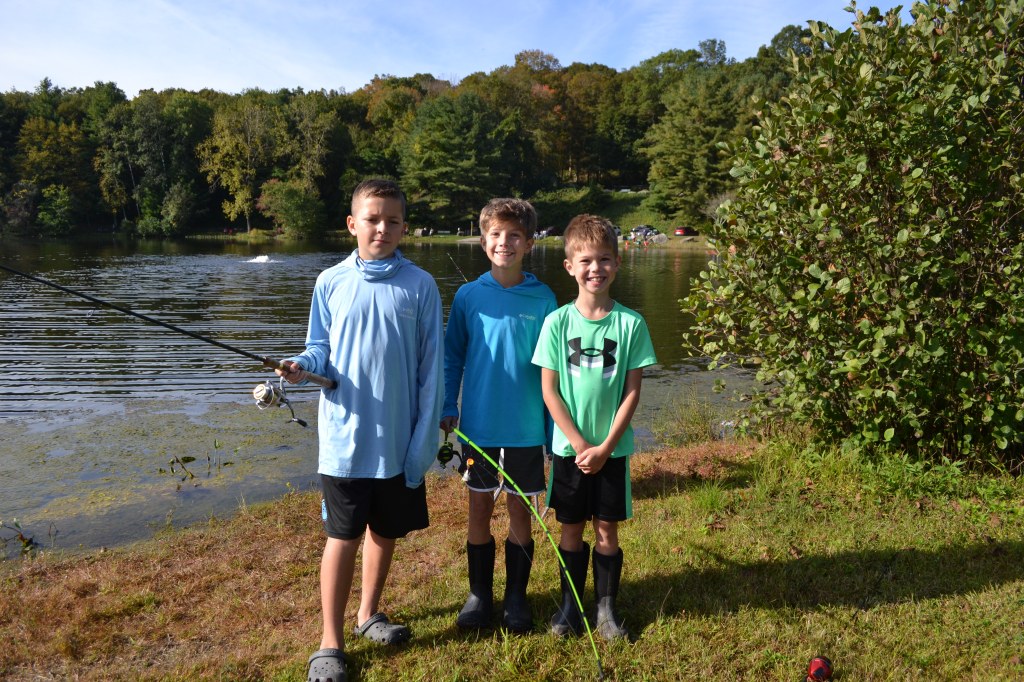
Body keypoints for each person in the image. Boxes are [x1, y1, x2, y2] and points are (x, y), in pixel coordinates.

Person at [277, 179, 443, 682]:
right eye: (372, 219)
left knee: (386, 530)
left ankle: (368, 613)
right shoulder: (329, 281)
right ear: (352, 224)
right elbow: (318, 348)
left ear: (405, 228)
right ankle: (331, 640)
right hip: (346, 442)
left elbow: (430, 368)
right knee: (342, 536)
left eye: (393, 220)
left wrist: (424, 440)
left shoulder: (421, 285)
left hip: (399, 442)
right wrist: (301, 366)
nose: (382, 228)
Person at [531, 214, 657, 640]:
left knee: (606, 528)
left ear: (618, 264)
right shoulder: (556, 323)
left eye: (605, 259)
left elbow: (632, 393)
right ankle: (570, 606)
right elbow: (550, 391)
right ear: (570, 266)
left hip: (612, 452)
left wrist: (604, 446)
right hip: (569, 451)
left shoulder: (631, 324)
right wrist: (580, 442)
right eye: (585, 260)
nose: (595, 268)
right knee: (570, 527)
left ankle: (606, 609)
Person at [440, 198, 557, 632]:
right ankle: (479, 594)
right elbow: (452, 357)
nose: (503, 242)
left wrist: (550, 430)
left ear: (528, 243)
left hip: (526, 429)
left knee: (521, 512)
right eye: (495, 235)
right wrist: (448, 405)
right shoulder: (469, 296)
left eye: (513, 236)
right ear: (483, 240)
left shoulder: (543, 298)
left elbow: (553, 369)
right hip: (478, 428)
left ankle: (516, 598)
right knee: (477, 509)